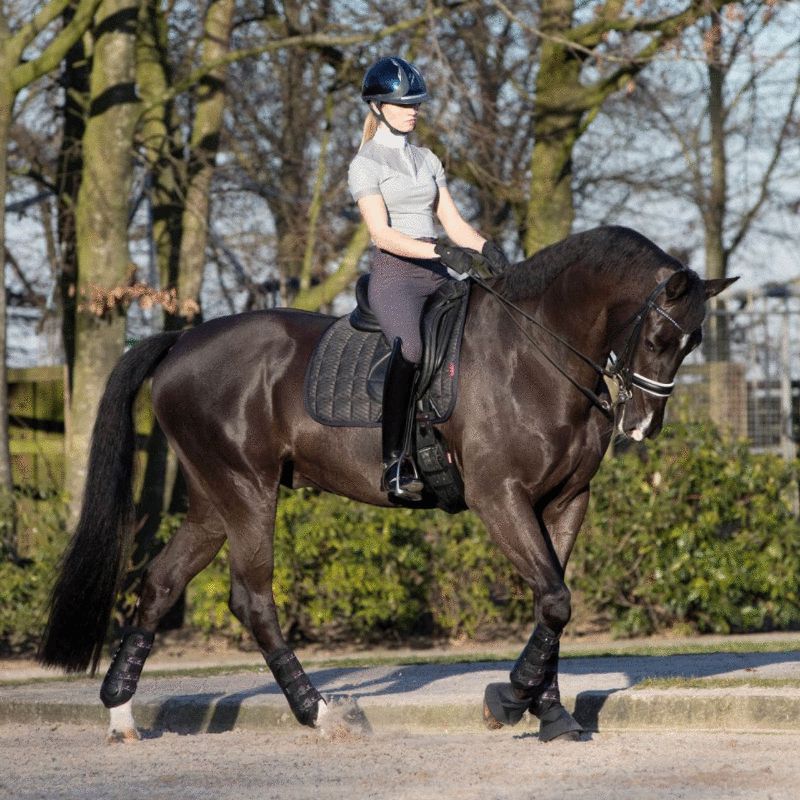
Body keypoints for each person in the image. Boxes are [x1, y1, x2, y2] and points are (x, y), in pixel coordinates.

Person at [347, 56, 509, 501]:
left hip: (437, 272)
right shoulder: (365, 165)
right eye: (403, 104)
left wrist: (485, 248)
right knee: (413, 348)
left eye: (416, 103)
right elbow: (382, 234)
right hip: (397, 277)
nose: (413, 110)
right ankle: (395, 463)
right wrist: (439, 249)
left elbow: (453, 223)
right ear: (378, 107)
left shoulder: (427, 158)